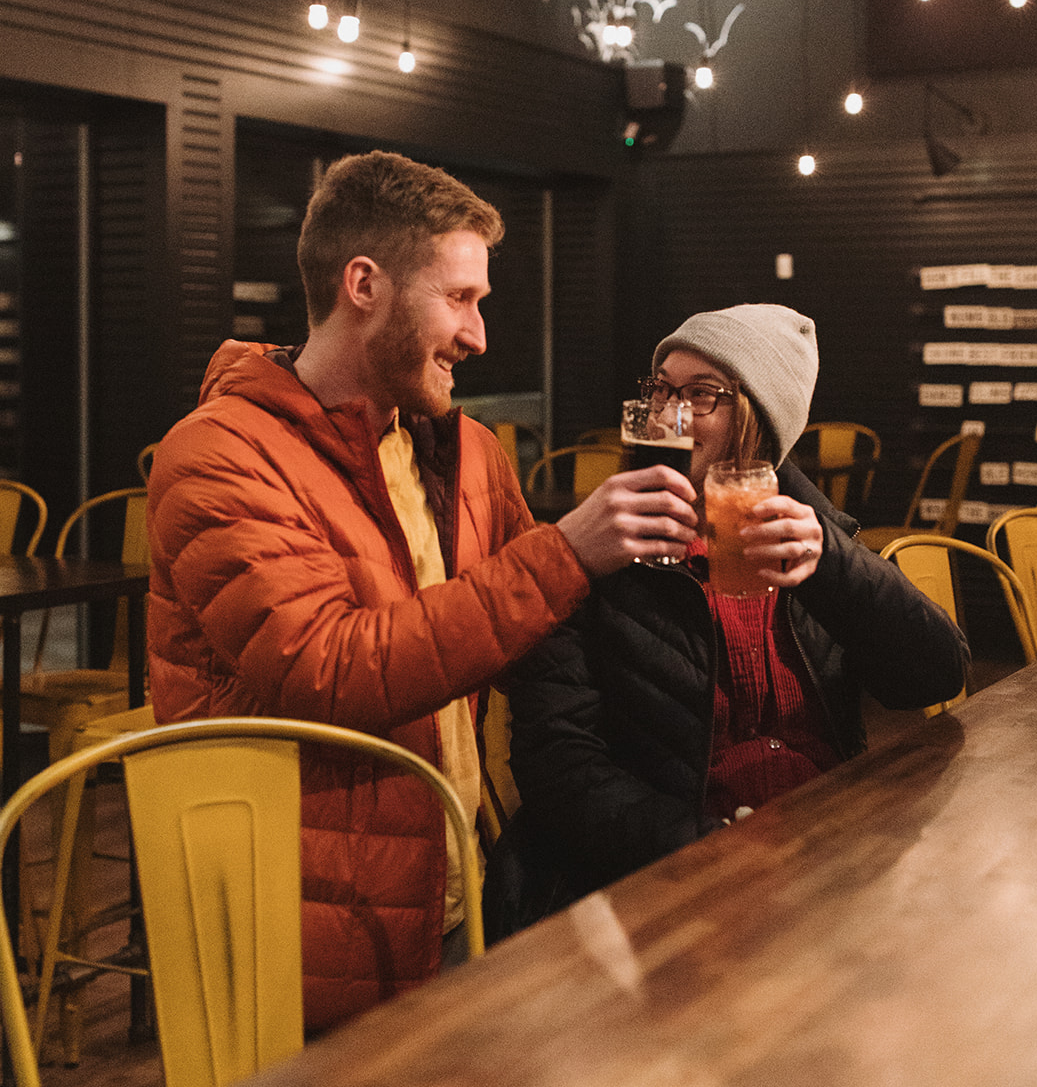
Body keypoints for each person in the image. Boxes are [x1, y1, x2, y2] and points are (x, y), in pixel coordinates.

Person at [146, 150, 696, 1030]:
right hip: (299, 927)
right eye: (460, 299)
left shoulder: (462, 447)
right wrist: (565, 554)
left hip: (459, 891)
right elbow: (327, 672)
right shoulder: (217, 456)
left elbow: (553, 632)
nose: (479, 336)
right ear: (364, 284)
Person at [487, 303, 969, 933]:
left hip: (826, 853)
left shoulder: (810, 539)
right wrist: (707, 844)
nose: (666, 413)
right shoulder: (599, 554)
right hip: (664, 883)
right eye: (660, 389)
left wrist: (835, 564)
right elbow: (558, 767)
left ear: (761, 421)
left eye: (700, 394)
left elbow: (935, 677)